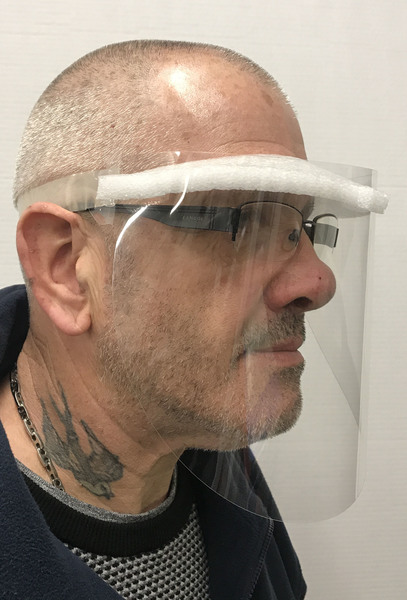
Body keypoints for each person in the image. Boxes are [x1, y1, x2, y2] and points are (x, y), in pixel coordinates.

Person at [0, 40, 385, 600]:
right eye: (245, 224)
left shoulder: (222, 473)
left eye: (300, 230)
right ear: (67, 267)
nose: (317, 282)